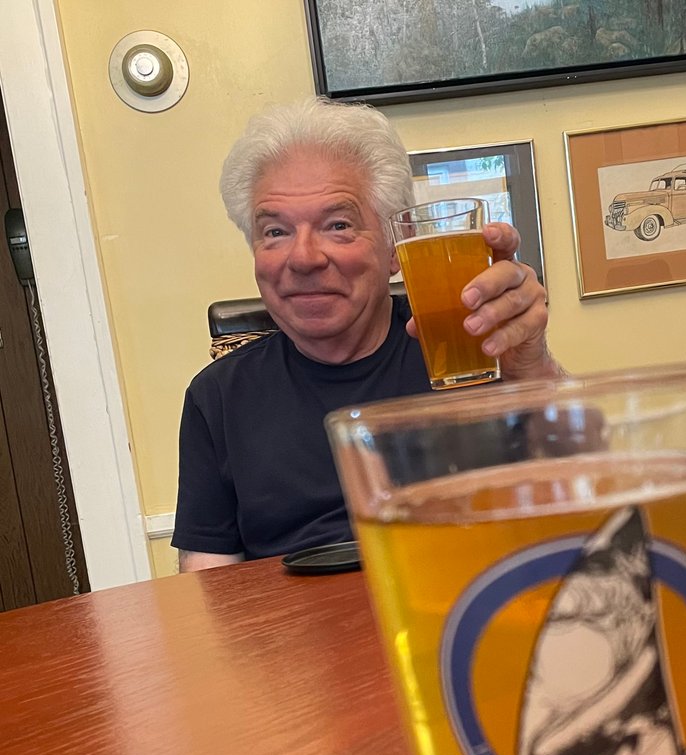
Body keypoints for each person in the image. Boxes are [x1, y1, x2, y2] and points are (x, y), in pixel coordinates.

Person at [172, 96, 563, 572]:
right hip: (294, 616)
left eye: (338, 225)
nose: (304, 258)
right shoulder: (217, 397)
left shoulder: (473, 348)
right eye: (275, 232)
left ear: (395, 249)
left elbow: (585, 498)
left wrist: (534, 370)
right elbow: (210, 583)